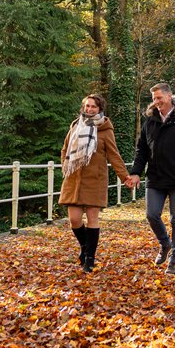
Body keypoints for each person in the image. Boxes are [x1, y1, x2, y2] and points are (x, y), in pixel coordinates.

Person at [129, 82, 175, 275]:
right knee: (152, 214)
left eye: (159, 97)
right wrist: (136, 172)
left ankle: (174, 260)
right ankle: (165, 243)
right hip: (155, 178)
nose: (156, 102)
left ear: (169, 96)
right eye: (153, 99)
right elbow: (141, 150)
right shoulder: (150, 121)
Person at [59, 94, 131, 273]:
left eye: (94, 107)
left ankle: (90, 259)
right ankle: (85, 247)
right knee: (74, 219)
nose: (90, 109)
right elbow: (65, 149)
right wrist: (66, 167)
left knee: (92, 219)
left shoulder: (105, 130)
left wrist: (125, 177)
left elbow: (114, 156)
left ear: (100, 109)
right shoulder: (76, 126)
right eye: (87, 106)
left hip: (95, 181)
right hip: (74, 179)